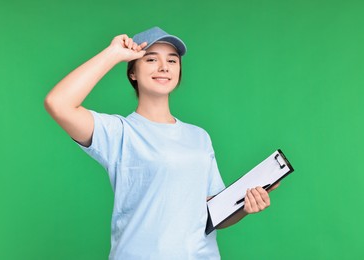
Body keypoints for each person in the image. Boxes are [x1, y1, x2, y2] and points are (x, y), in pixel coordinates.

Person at [44, 26, 279, 259]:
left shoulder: (200, 137)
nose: (164, 67)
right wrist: (113, 53)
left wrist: (247, 203)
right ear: (132, 72)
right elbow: (58, 103)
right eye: (151, 59)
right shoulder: (119, 133)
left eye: (172, 60)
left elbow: (211, 215)